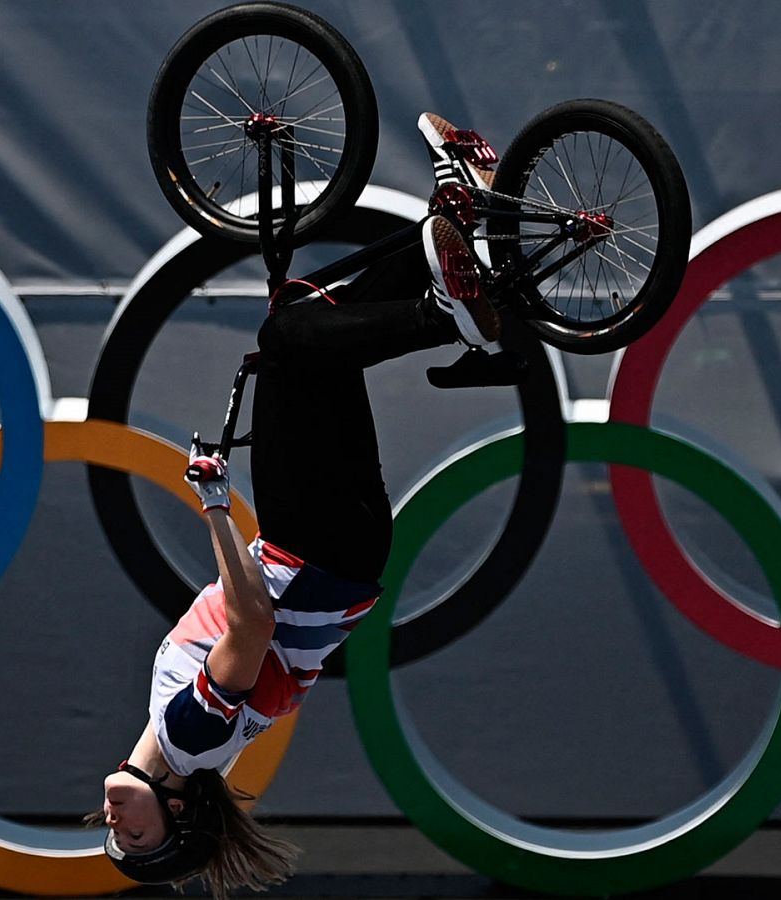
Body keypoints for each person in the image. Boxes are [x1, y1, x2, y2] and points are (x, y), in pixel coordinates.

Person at [96, 113, 501, 898]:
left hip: (337, 552)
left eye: (113, 834)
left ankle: (460, 219)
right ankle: (446, 313)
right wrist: (215, 504)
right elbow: (250, 626)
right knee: (289, 337)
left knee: (313, 324)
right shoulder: (190, 740)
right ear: (178, 813)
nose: (117, 822)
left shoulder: (183, 743)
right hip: (311, 548)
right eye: (136, 836)